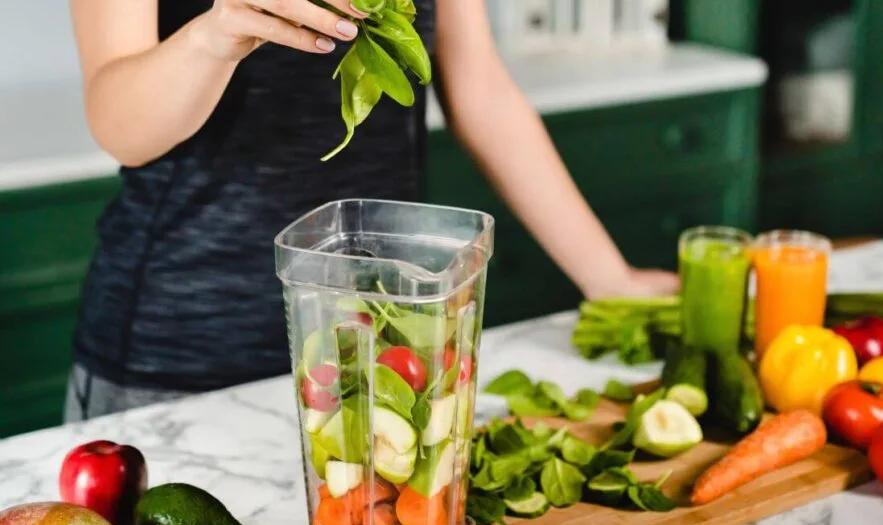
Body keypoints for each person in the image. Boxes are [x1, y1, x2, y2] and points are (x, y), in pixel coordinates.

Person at [65, 0, 679, 421]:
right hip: (181, 356)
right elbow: (120, 124)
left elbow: (481, 90)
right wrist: (215, 35)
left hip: (372, 343)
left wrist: (611, 280)